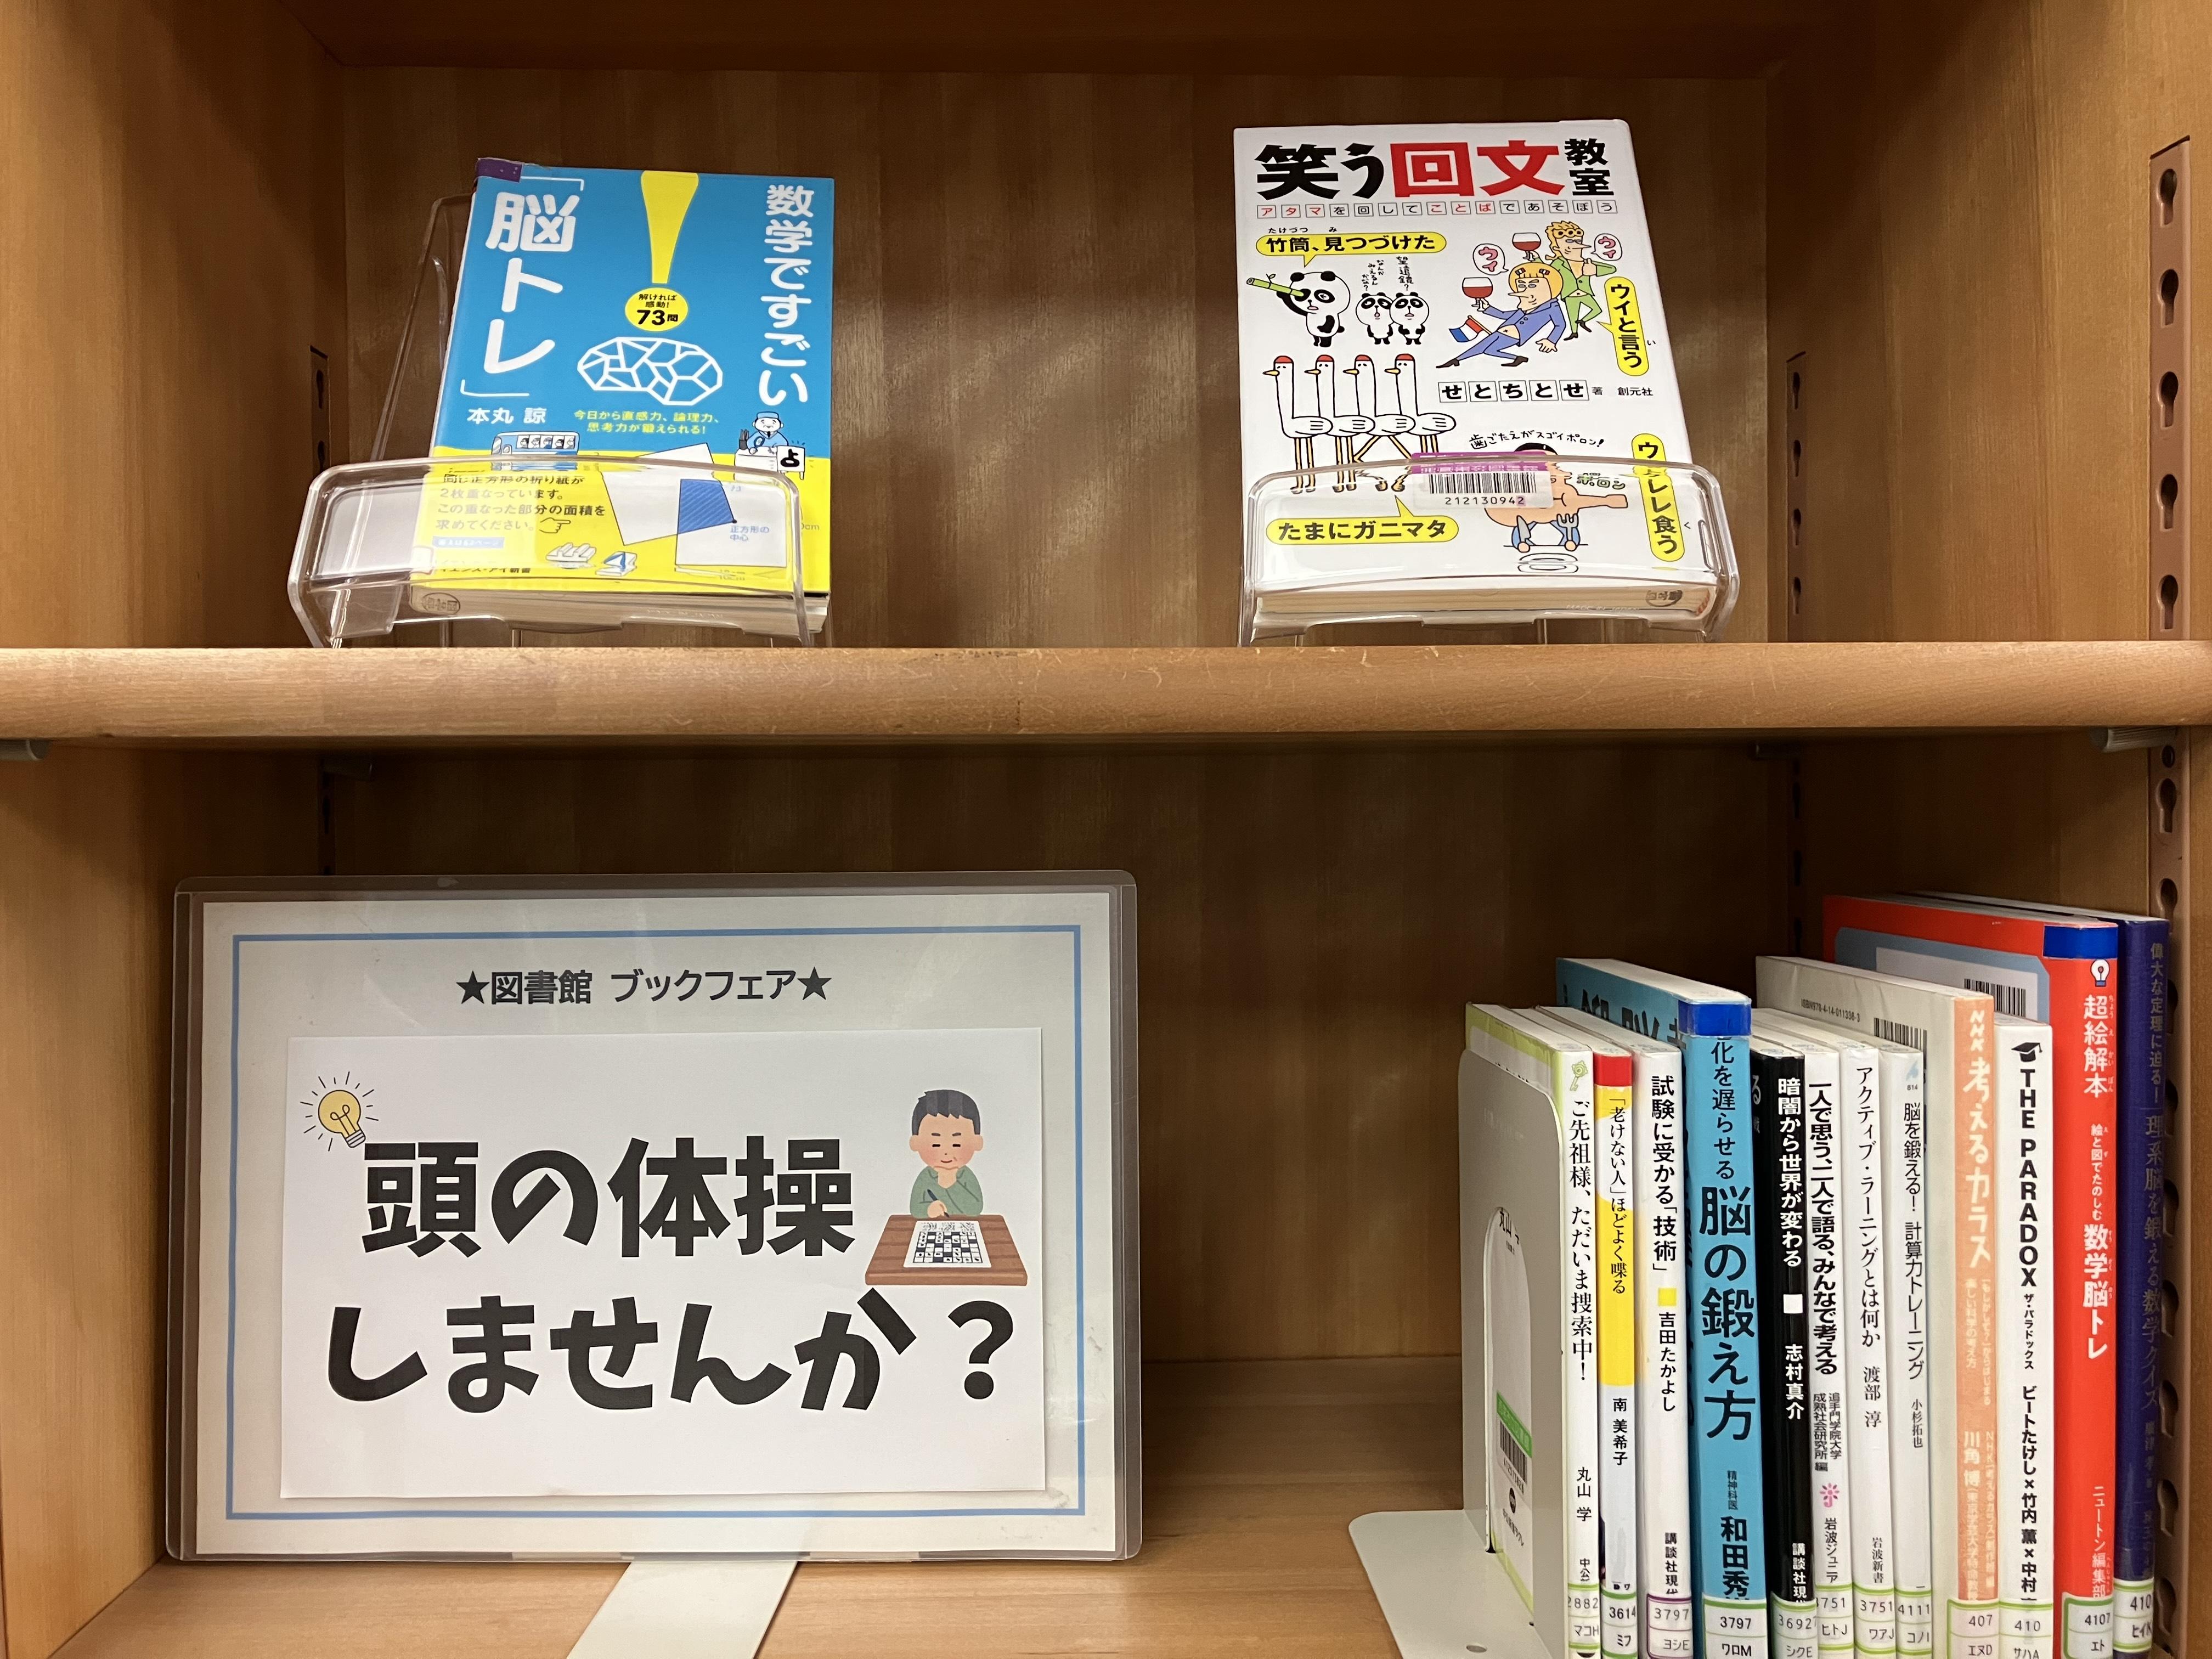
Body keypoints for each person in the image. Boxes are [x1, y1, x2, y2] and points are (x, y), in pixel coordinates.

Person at [1438, 262, 1569, 368]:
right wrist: (1487, 308)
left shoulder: (1552, 307)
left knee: (1486, 349)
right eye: (1522, 285)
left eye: (1533, 285)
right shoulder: (1525, 306)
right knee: (1482, 347)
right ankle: (1457, 360)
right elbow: (1504, 315)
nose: (1526, 290)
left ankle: (1457, 360)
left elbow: (1560, 325)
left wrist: (1551, 340)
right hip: (1501, 331)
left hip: (1514, 336)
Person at [907, 1088, 987, 1218]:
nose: (946, 1153)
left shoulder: (966, 1176)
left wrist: (954, 1183)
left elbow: (975, 1209)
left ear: (977, 1143)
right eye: (936, 1145)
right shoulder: (926, 1177)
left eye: (957, 1145)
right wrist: (929, 1209)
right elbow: (915, 1209)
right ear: (915, 1143)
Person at [1543, 219, 1615, 339]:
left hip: (1585, 293)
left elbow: (1612, 269)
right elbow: (1547, 272)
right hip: (1570, 295)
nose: (1574, 245)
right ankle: (1574, 333)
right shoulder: (1559, 263)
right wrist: (1536, 260)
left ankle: (1583, 321)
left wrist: (1595, 270)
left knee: (1597, 310)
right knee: (1573, 315)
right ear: (1557, 248)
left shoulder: (1588, 262)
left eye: (1577, 241)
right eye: (1569, 242)